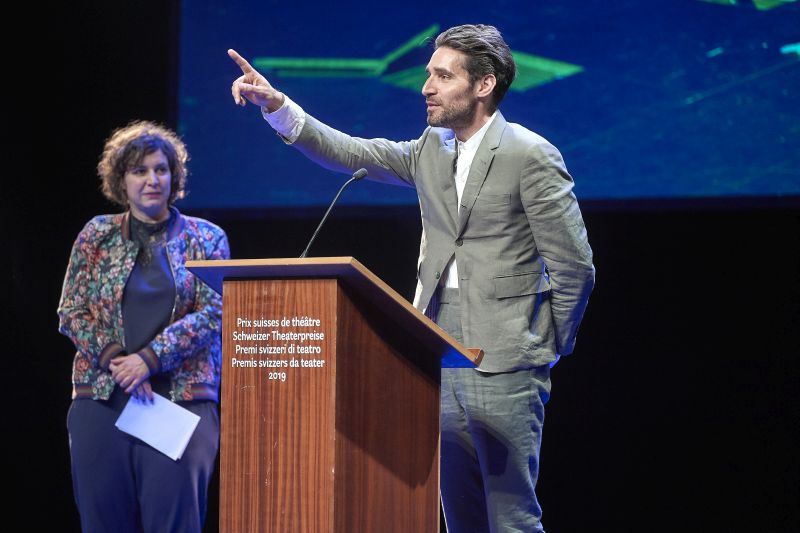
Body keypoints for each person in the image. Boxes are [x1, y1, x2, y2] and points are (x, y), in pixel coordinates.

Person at [229, 23, 594, 532]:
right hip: (438, 351)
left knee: (511, 518)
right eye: (429, 75)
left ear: (484, 84)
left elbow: (574, 266)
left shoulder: (529, 154)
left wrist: (545, 342)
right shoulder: (431, 148)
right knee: (460, 515)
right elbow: (350, 152)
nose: (427, 87)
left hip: (508, 358)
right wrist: (277, 107)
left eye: (443, 76)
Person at [58, 121, 230, 532]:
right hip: (103, 398)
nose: (152, 180)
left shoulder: (207, 238)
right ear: (122, 180)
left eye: (161, 169)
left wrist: (149, 360)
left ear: (174, 176)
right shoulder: (96, 235)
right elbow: (72, 311)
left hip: (180, 401)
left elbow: (214, 311)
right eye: (140, 171)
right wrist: (120, 362)